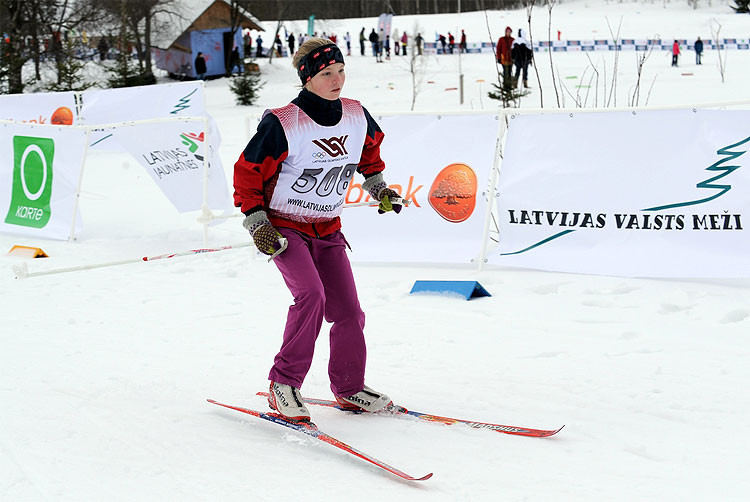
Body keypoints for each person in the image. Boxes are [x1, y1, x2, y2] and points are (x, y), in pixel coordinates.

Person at [233, 37, 404, 422]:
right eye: (327, 73)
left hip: (327, 228)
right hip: (284, 226)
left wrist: (379, 189)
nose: (337, 79)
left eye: (341, 71)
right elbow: (247, 172)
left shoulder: (356, 114)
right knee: (310, 296)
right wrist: (257, 222)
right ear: (307, 78)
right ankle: (284, 384)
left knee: (347, 310)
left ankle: (349, 387)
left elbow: (368, 155)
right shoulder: (284, 122)